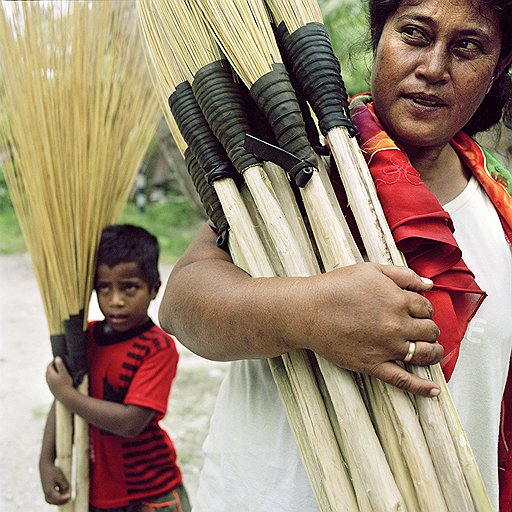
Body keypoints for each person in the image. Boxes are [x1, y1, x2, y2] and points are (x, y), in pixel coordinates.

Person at [158, 0, 512, 510]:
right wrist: (305, 311)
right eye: (414, 34)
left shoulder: (497, 204)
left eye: (467, 47)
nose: (433, 68)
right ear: (379, 38)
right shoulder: (292, 162)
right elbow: (182, 305)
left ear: (497, 67)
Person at [39, 224, 191, 512]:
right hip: (96, 492)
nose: (115, 301)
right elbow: (62, 404)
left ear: (154, 288)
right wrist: (46, 461)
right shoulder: (86, 338)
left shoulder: (156, 347)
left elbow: (130, 423)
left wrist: (67, 394)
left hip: (149, 495)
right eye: (104, 288)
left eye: (129, 287)